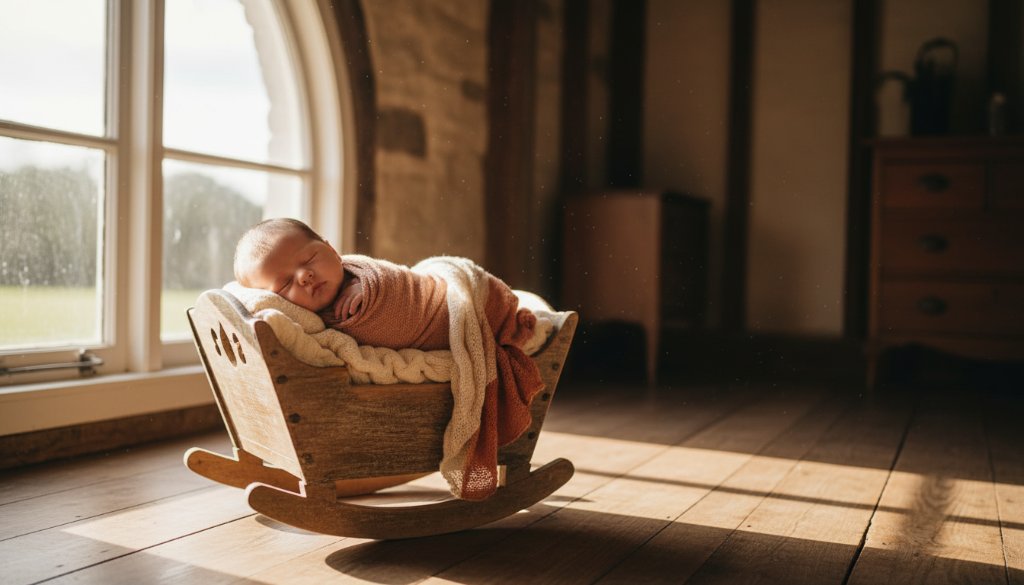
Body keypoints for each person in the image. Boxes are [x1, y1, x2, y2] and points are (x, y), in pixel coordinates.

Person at [233, 217, 533, 351]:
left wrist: (370, 288)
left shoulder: (364, 275)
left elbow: (401, 283)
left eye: (309, 259)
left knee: (473, 294)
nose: (304, 276)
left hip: (451, 296)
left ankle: (508, 320)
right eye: (285, 284)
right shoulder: (308, 322)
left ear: (332, 250)